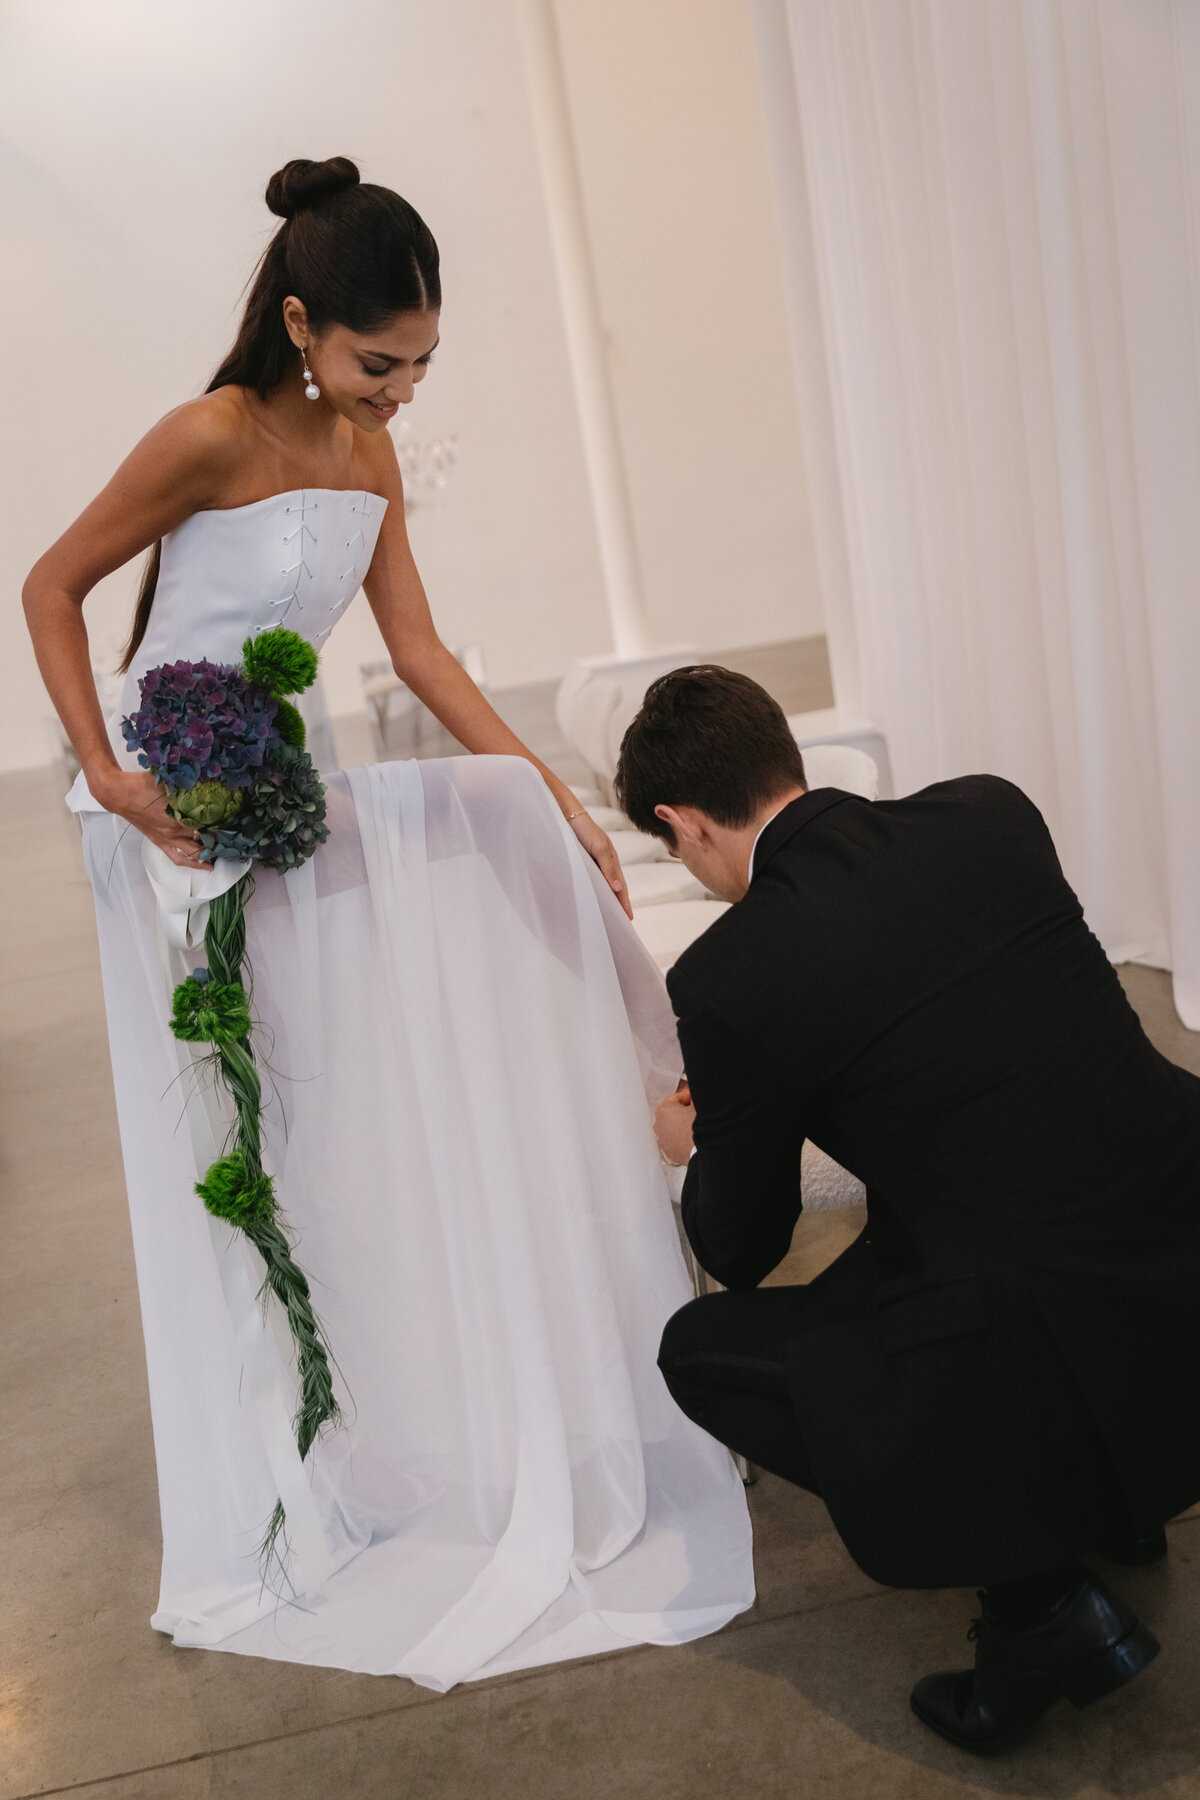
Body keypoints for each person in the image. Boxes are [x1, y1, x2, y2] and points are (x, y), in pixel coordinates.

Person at [21, 159, 753, 1691]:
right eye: (378, 362)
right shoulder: (209, 436)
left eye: (424, 363)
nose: (403, 391)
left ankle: (360, 1427)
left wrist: (541, 786)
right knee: (234, 1126)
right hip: (166, 821)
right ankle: (271, 1474)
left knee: (336, 1106)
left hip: (281, 797)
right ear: (299, 323)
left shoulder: (368, 455)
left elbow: (416, 649)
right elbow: (53, 586)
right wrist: (104, 772)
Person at [614, 664, 1200, 1756]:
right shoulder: (991, 812)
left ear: (680, 824)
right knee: (999, 1197)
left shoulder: (732, 973)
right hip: (1180, 1230)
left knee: (702, 1349)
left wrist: (702, 1143)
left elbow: (742, 1248)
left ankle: (1040, 1611)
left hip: (1033, 1318)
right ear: (781, 752)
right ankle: (1121, 1505)